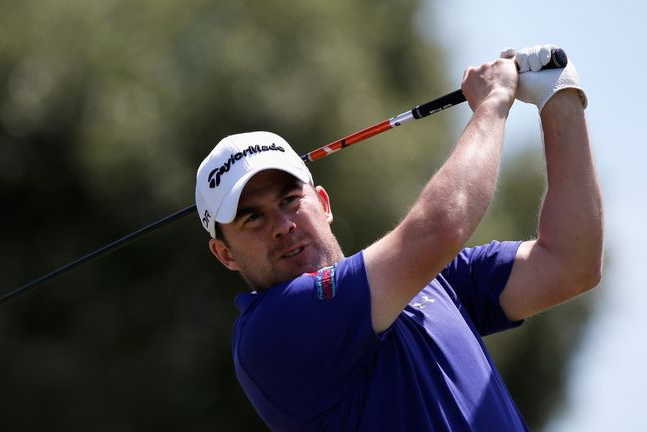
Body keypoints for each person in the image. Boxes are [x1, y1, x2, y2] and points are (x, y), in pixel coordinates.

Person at [194, 44, 602, 431]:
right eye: (252, 218)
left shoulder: (427, 279)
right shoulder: (271, 333)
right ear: (224, 253)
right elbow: (440, 229)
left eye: (289, 199)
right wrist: (493, 104)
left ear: (323, 202)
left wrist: (560, 96)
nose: (281, 224)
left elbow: (571, 264)